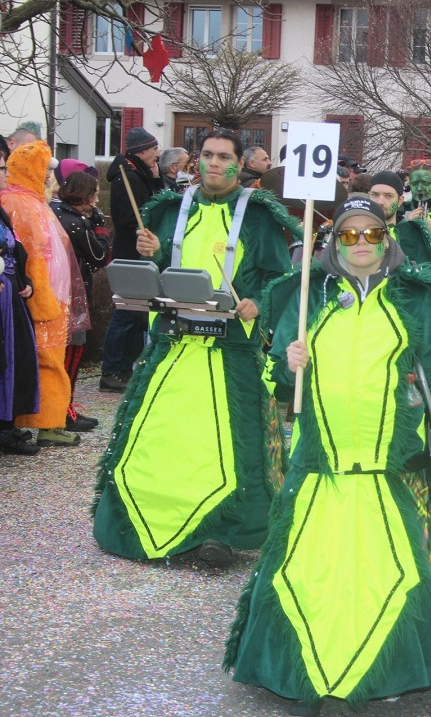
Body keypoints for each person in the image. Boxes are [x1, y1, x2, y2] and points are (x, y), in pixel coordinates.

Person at [224, 195, 431, 714]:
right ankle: (317, 674)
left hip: (392, 475)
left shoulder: (415, 299)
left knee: (391, 573)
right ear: (334, 240)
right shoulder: (306, 297)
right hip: (319, 473)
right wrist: (288, 362)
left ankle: (381, 673)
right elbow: (280, 387)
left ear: (388, 236)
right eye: (349, 235)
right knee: (309, 577)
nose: (361, 244)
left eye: (372, 233)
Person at [92, 129, 297, 565]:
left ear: (240, 164)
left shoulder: (258, 216)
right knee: (164, 435)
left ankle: (220, 530)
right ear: (195, 161)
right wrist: (154, 251)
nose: (215, 163)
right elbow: (162, 272)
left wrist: (256, 301)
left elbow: (278, 277)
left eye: (225, 156)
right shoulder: (169, 209)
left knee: (224, 441)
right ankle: (147, 517)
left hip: (231, 352)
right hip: (173, 344)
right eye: (207, 155)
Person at [0, 141, 90, 448]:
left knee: (29, 361)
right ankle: (49, 422)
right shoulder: (25, 205)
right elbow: (33, 257)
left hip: (40, 295)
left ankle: (23, 421)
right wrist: (43, 303)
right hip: (43, 299)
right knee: (48, 362)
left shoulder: (23, 201)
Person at [100, 127, 163, 392]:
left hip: (139, 252)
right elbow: (128, 218)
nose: (157, 155)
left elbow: (154, 203)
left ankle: (124, 368)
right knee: (126, 312)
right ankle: (112, 370)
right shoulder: (126, 177)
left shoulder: (139, 174)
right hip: (130, 252)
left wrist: (157, 181)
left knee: (137, 315)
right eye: (154, 150)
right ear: (143, 150)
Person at [51, 170, 110, 432]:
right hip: (72, 294)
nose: (97, 200)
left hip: (56, 290)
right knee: (72, 353)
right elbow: (98, 257)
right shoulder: (74, 221)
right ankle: (64, 410)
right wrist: (99, 226)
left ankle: (61, 409)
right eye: (94, 194)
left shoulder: (54, 211)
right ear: (83, 195)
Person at [0, 149, 40, 456]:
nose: (4, 175)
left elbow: (15, 251)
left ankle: (6, 427)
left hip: (10, 298)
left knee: (14, 361)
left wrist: (24, 282)